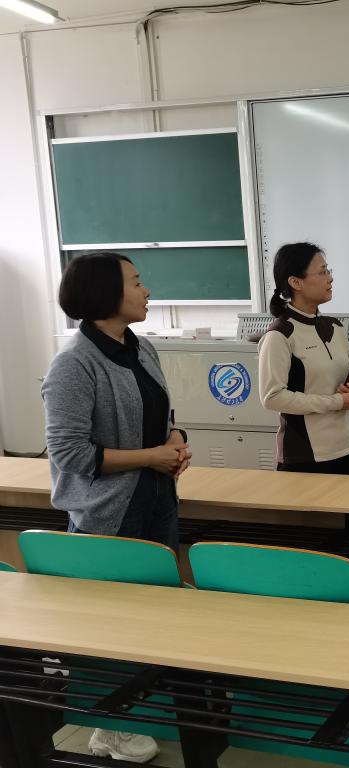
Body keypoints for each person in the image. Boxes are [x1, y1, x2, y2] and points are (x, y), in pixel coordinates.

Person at [42, 251, 190, 764]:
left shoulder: (141, 347)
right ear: (106, 292)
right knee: (110, 623)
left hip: (157, 497)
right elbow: (69, 454)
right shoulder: (73, 363)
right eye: (136, 281)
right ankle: (107, 728)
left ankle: (140, 710)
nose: (147, 290)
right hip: (108, 510)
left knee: (152, 611)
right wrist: (151, 457)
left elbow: (161, 415)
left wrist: (175, 440)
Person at [258, 242, 349, 474]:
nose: (330, 278)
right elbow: (272, 397)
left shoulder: (335, 327)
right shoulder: (280, 334)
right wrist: (336, 402)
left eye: (328, 270)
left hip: (345, 446)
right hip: (304, 455)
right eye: (322, 272)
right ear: (296, 282)